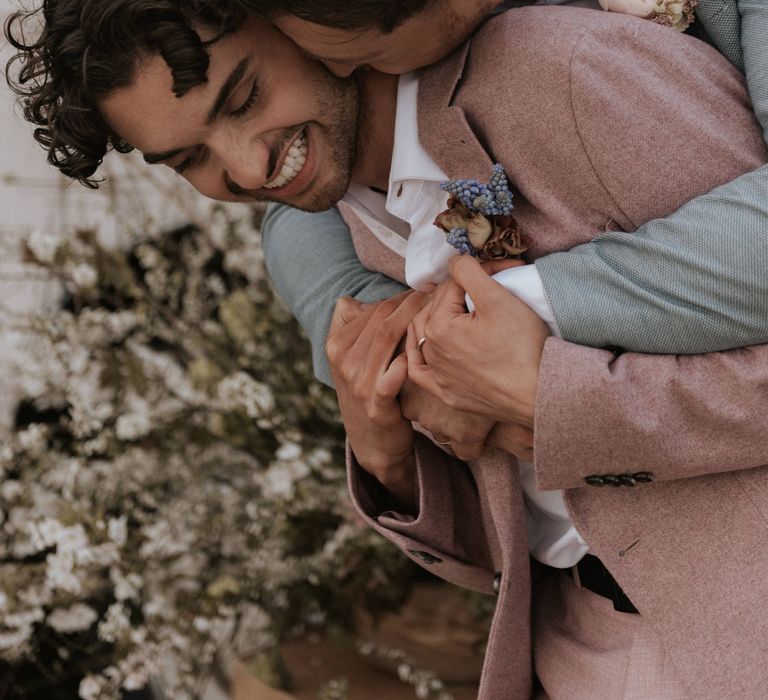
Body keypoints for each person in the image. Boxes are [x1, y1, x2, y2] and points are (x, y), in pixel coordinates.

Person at [5, 2, 768, 697]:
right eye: (189, 161)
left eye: (243, 98)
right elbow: (525, 530)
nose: (243, 168)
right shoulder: (346, 226)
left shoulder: (565, 72)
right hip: (573, 649)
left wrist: (554, 392)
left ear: (297, 24)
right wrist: (389, 465)